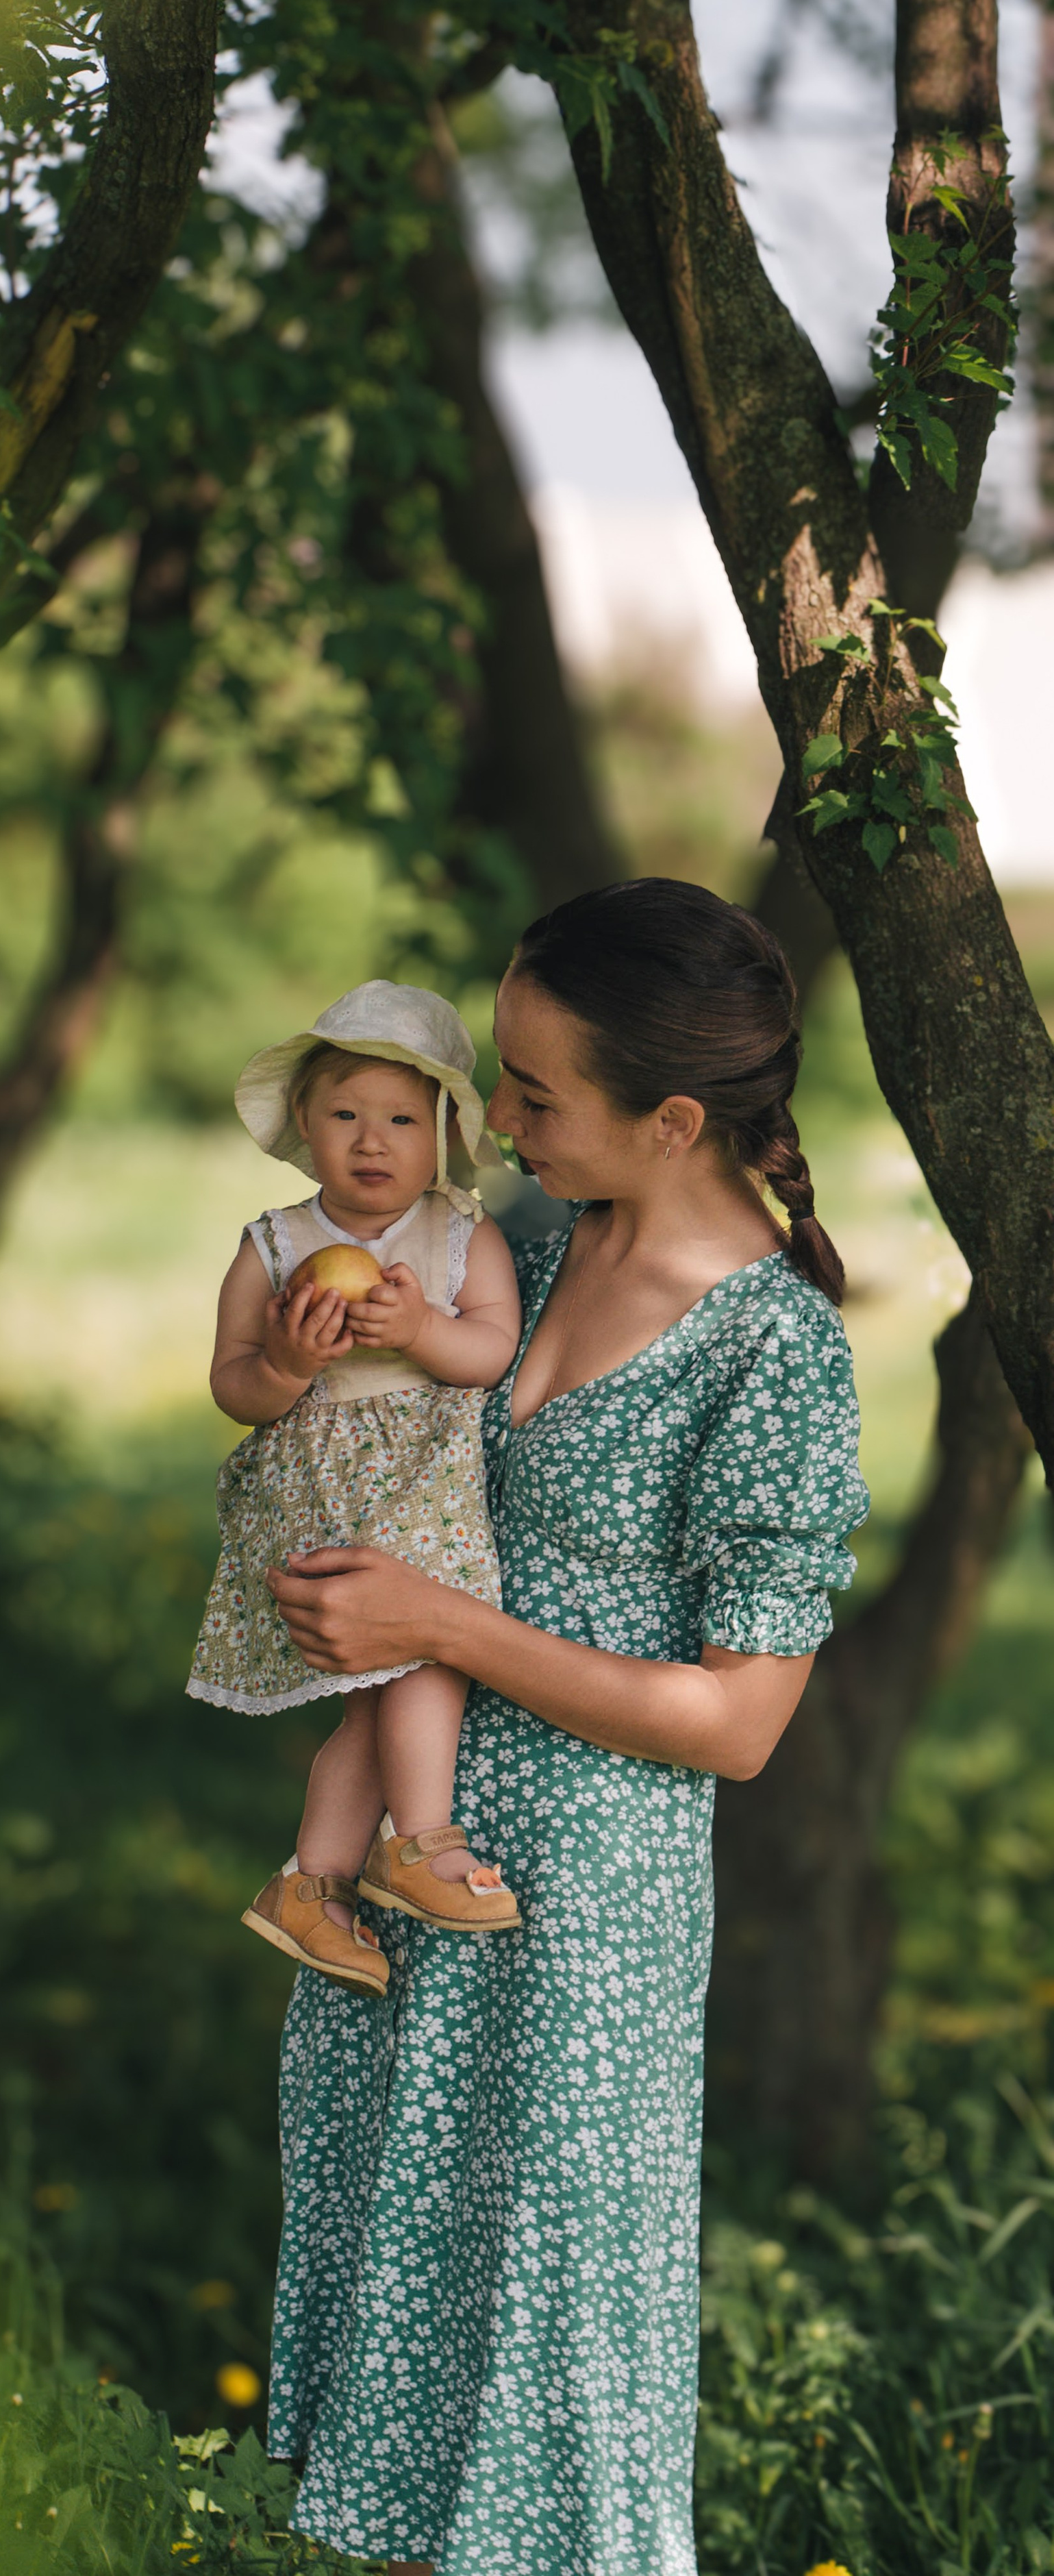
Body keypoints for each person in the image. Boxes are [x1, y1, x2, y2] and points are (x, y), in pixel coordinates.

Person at [261, 882, 870, 2576]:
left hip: (576, 1923)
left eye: (532, 1093)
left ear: (671, 1118)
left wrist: (433, 1623)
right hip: (411, 1856)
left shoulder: (772, 1352)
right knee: (399, 2295)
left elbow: (738, 1723)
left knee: (545, 2340)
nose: (497, 1122)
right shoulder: (509, 1250)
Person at [188, 982, 524, 1997]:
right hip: (319, 1488)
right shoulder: (277, 1246)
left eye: (401, 1120)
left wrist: (424, 1329)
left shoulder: (463, 1238)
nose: (372, 1142)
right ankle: (420, 1846)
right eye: (346, 1115)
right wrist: (288, 1361)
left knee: (371, 1706)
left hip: (418, 1484)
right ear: (305, 1124)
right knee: (423, 1660)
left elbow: (491, 1350)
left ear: (443, 1136)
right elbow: (234, 1384)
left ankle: (312, 1885)